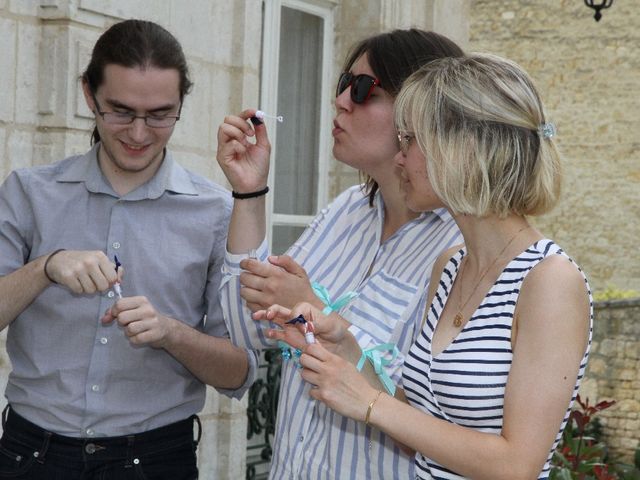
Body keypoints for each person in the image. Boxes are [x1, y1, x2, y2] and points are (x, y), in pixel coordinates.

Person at [261, 53, 593, 480]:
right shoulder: (450, 267)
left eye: (410, 141)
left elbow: (517, 465)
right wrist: (344, 345)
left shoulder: (550, 281)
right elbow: (417, 428)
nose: (399, 159)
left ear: (463, 149)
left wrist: (370, 404)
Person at [0, 19, 256, 480]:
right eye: (120, 111)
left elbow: (238, 372)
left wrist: (170, 334)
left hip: (155, 459)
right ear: (88, 95)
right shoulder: (27, 192)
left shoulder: (217, 213)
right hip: (29, 454)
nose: (139, 133)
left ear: (181, 104)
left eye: (160, 114)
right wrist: (45, 268)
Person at [217, 30, 463, 479]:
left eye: (365, 89)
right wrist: (249, 191)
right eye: (343, 83)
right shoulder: (345, 211)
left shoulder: (461, 247)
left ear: (423, 111)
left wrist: (314, 308)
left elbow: (443, 423)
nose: (342, 101)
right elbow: (244, 330)